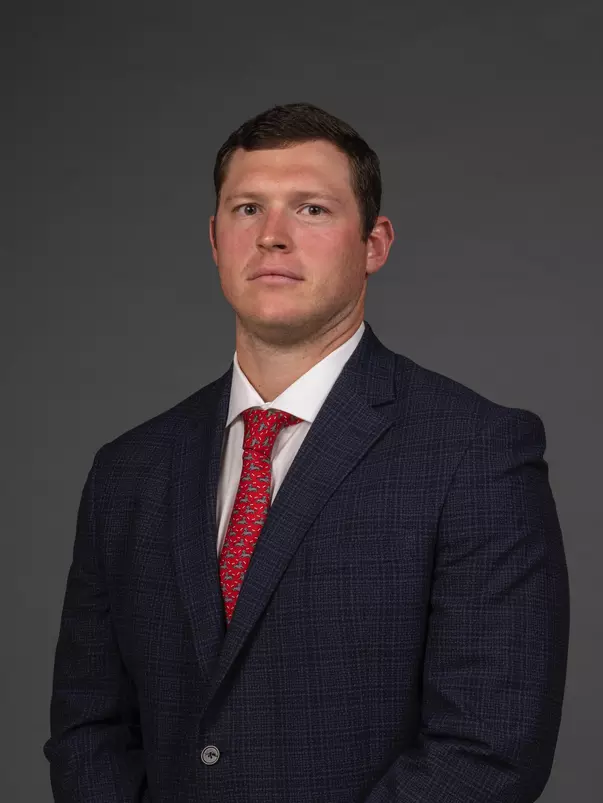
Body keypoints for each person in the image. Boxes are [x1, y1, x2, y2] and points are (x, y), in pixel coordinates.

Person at [44, 102, 570, 803]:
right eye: (246, 208)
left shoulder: (474, 451)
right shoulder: (129, 469)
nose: (271, 236)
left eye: (312, 209)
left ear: (373, 244)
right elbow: (87, 730)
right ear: (213, 239)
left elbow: (488, 747)